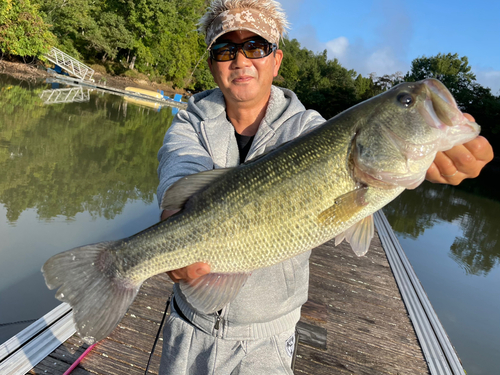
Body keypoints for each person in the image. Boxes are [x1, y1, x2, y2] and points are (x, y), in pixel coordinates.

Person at [156, 1, 493, 374]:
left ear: (276, 59)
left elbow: (379, 171)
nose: (241, 60)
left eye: (255, 47)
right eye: (225, 49)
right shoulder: (189, 123)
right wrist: (173, 220)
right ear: (211, 64)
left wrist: (435, 157)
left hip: (267, 337)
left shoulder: (311, 131)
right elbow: (180, 170)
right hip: (189, 324)